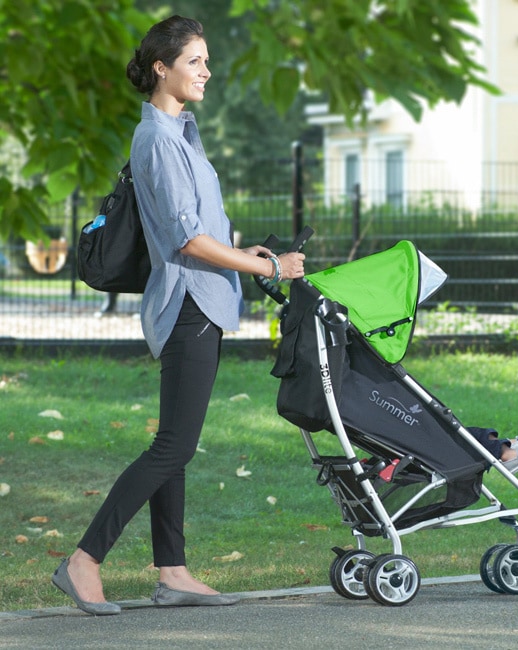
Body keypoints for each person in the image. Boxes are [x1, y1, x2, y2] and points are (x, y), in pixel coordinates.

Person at [52, 15, 305, 616]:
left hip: (204, 302)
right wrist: (266, 268)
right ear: (161, 67)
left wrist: (246, 254)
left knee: (176, 447)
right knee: (172, 447)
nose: (207, 72)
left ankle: (173, 571)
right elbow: (187, 239)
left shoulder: (181, 135)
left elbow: (199, 228)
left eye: (207, 60)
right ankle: (83, 562)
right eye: (195, 61)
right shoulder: (159, 142)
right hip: (189, 303)